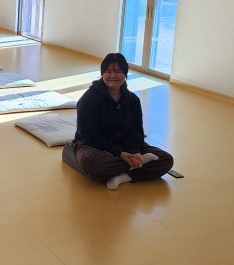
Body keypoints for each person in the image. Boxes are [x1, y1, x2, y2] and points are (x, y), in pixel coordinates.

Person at [73, 53, 173, 190]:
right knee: (95, 164)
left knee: (166, 160)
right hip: (93, 145)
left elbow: (136, 131)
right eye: (108, 71)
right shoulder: (89, 100)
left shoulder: (133, 100)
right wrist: (120, 154)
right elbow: (88, 136)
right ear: (102, 74)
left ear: (125, 74)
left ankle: (124, 176)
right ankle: (139, 165)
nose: (113, 75)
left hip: (124, 143)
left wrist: (135, 152)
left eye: (118, 71)